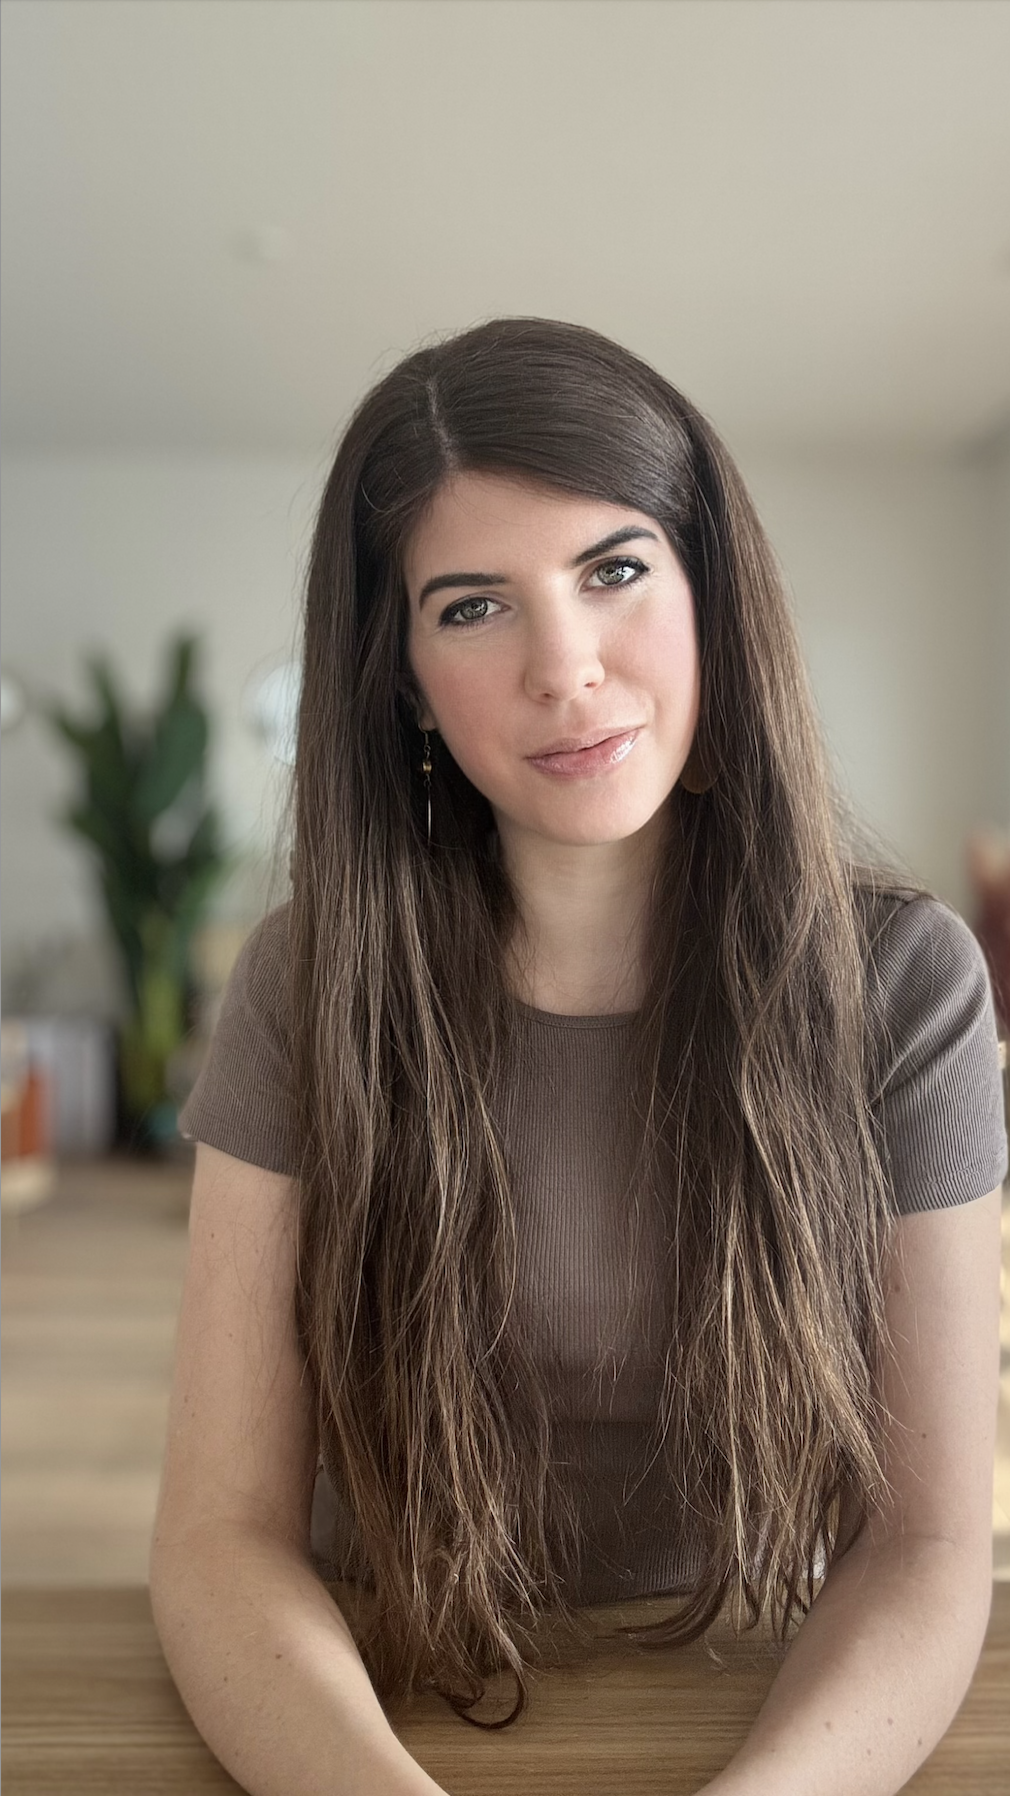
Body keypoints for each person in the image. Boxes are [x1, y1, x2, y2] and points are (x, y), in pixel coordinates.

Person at [149, 317, 1008, 1796]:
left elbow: (928, 1545)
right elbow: (221, 1537)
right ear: (403, 678)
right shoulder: (307, 984)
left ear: (706, 593)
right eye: (472, 608)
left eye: (613, 572)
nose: (566, 668)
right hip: (383, 1692)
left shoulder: (900, 978)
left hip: (759, 1694)